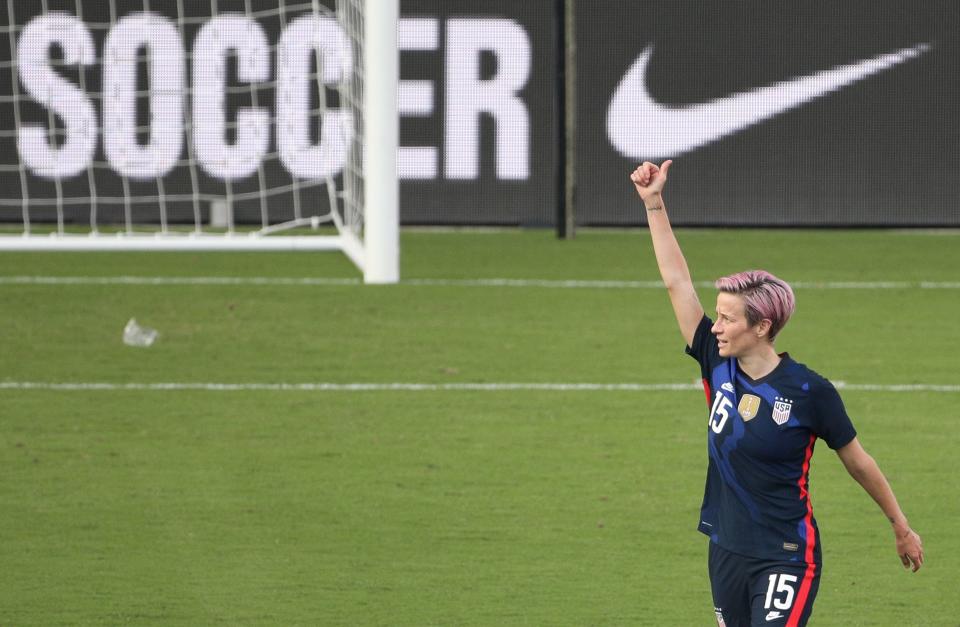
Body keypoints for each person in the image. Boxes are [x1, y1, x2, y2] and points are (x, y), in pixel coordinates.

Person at [630, 160, 923, 626]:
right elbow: (677, 282)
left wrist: (900, 526)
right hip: (725, 547)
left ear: (762, 326)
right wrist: (654, 204)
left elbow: (858, 462)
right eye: (718, 316)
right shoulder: (715, 359)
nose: (716, 325)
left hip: (786, 555)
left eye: (728, 318)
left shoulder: (810, 391)